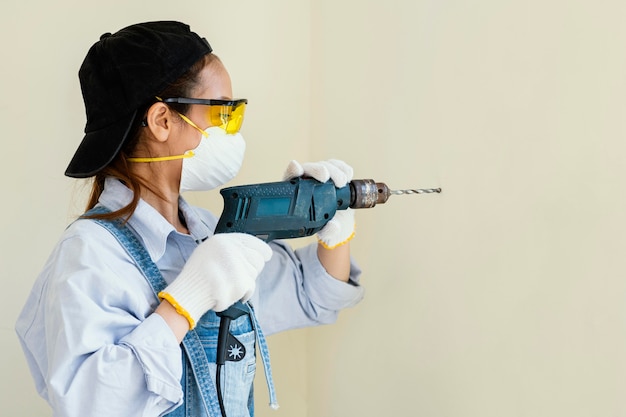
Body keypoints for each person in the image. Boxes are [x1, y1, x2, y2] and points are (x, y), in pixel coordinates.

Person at [15, 21, 364, 417]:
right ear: (163, 120)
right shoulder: (90, 255)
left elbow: (313, 295)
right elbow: (93, 403)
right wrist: (185, 302)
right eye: (225, 114)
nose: (232, 131)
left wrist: (334, 224)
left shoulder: (207, 233)